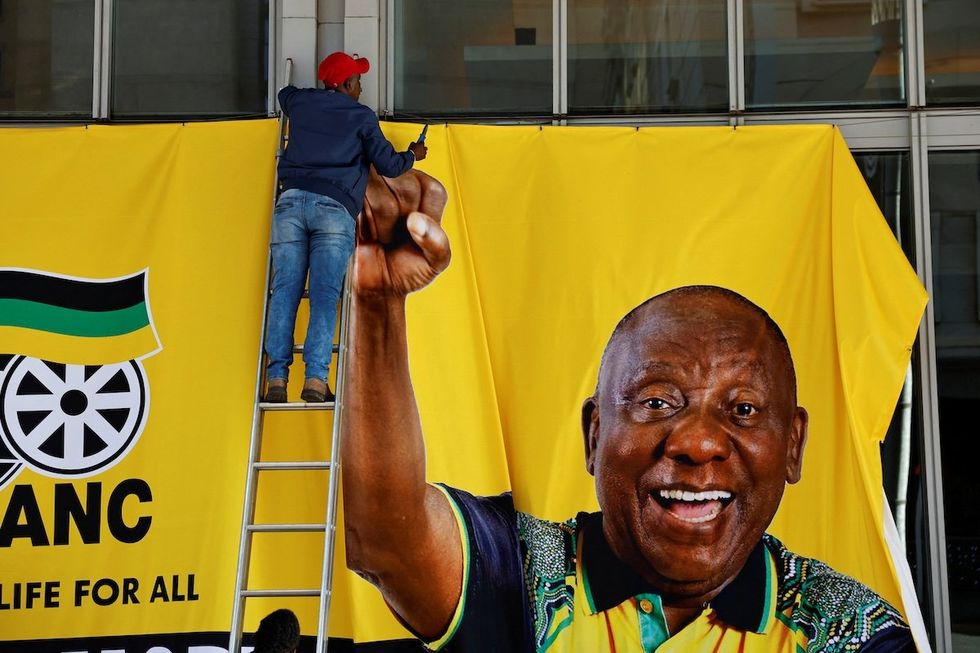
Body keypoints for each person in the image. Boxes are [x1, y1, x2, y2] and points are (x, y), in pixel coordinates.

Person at [340, 180, 915, 651]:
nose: (698, 443)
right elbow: (388, 539)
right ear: (594, 433)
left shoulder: (850, 633)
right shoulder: (526, 573)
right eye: (659, 402)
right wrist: (377, 304)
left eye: (741, 410)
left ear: (792, 446)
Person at [264, 51, 426, 403]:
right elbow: (389, 165)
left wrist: (316, 98)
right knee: (323, 296)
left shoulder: (302, 103)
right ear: (347, 84)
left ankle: (276, 378)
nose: (361, 89)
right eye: (358, 82)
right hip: (333, 211)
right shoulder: (361, 117)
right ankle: (316, 380)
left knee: (285, 291)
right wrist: (413, 154)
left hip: (290, 204)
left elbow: (284, 94)